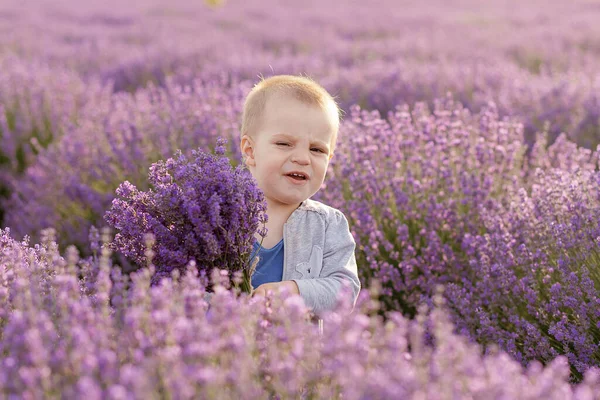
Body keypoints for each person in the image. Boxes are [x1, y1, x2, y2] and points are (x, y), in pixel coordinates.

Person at [239, 74, 361, 317]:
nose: (303, 158)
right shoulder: (220, 217)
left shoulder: (328, 224)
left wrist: (293, 293)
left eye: (317, 149)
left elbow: (345, 291)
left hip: (299, 353)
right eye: (285, 144)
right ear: (250, 151)